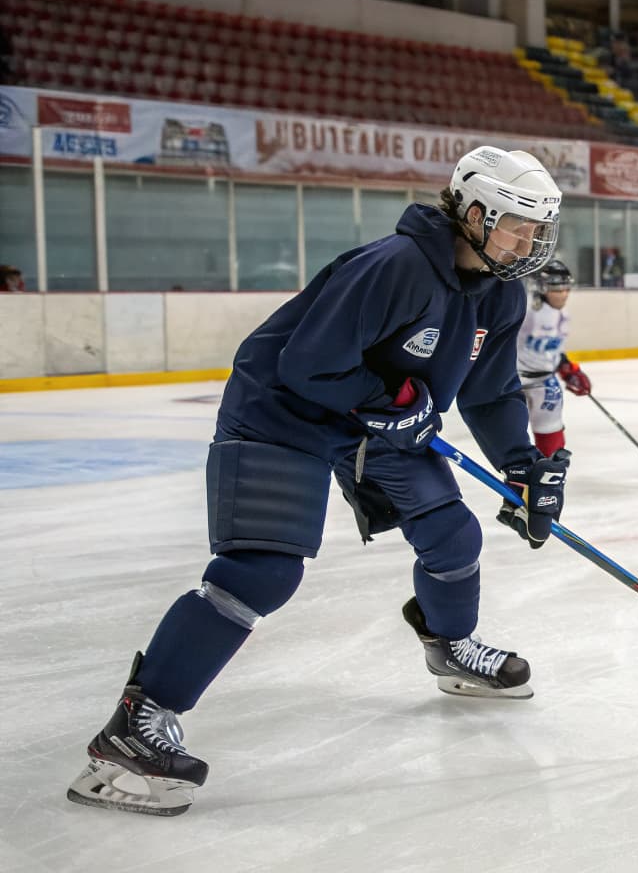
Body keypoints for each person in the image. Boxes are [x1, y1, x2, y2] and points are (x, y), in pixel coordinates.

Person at [66, 147, 570, 818]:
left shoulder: (501, 293)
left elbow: (490, 390)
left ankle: (450, 647)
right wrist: (395, 404)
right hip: (285, 412)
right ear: (474, 214)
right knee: (264, 571)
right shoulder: (397, 268)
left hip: (373, 422)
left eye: (538, 231)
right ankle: (135, 724)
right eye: (518, 226)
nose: (530, 243)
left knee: (454, 535)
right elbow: (309, 364)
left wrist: (522, 468)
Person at [515, 258, 590, 460]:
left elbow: (554, 350)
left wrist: (568, 368)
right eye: (557, 289)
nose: (563, 294)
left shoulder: (562, 314)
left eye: (566, 288)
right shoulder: (525, 309)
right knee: (513, 440)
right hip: (512, 383)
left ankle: (550, 479)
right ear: (541, 287)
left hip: (545, 381)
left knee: (551, 434)